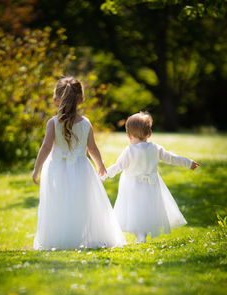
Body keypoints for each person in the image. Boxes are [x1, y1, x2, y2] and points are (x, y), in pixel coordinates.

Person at [32, 76, 126, 250]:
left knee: (58, 204)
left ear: (55, 99)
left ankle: (60, 240)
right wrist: (100, 165)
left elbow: (45, 148)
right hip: (82, 169)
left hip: (56, 169)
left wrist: (36, 169)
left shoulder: (52, 123)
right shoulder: (85, 123)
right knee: (81, 204)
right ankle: (79, 237)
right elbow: (92, 148)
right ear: (81, 100)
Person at [102, 111, 199, 243]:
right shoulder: (155, 148)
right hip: (151, 186)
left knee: (134, 210)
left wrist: (104, 174)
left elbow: (118, 166)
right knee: (147, 210)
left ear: (129, 135)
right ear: (150, 133)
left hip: (132, 187)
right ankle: (142, 234)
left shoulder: (129, 151)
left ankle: (140, 235)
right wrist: (188, 162)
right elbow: (171, 158)